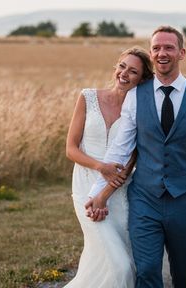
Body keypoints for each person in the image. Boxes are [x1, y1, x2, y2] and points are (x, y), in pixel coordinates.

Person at [86, 26, 186, 288]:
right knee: (148, 271)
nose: (162, 53)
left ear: (181, 53)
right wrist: (97, 193)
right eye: (156, 48)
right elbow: (120, 148)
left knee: (185, 275)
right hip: (144, 200)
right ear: (151, 54)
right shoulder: (135, 96)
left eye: (168, 47)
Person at [65, 46, 154, 288]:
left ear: (142, 79)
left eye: (133, 72)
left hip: (117, 193)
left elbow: (131, 161)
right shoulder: (88, 97)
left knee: (107, 259)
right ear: (115, 67)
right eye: (122, 66)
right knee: (120, 265)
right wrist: (100, 167)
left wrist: (104, 196)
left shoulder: (140, 111)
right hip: (85, 187)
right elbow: (71, 149)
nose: (124, 74)